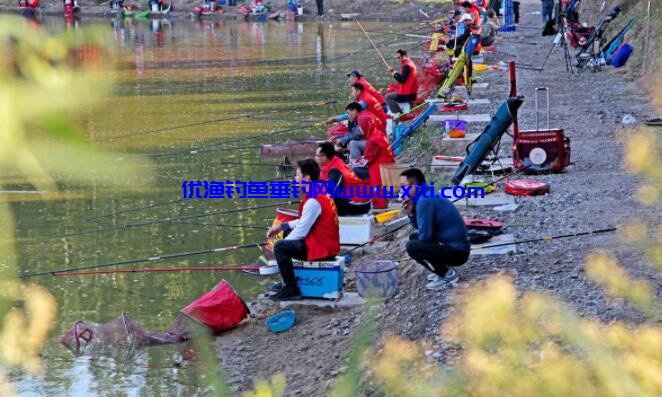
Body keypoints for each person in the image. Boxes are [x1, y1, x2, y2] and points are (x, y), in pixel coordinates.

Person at [266, 159, 340, 301]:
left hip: (324, 249)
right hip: (326, 243)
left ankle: (291, 289)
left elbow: (301, 231)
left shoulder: (313, 200)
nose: (295, 177)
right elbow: (304, 221)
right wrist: (281, 226)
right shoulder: (319, 191)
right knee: (286, 236)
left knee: (281, 247)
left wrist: (277, 248)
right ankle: (287, 280)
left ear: (307, 178)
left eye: (297, 174)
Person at [400, 168, 470, 290]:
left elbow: (425, 236)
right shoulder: (427, 193)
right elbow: (422, 229)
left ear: (415, 185)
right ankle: (441, 269)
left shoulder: (424, 201)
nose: (401, 190)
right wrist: (411, 215)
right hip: (455, 246)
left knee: (412, 247)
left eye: (403, 186)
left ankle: (448, 275)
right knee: (413, 238)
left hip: (458, 252)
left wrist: (415, 215)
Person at [315, 142, 371, 216]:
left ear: (324, 157)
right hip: (351, 198)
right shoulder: (331, 163)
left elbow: (331, 192)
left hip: (359, 203)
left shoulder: (335, 170)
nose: (315, 157)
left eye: (317, 155)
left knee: (323, 205)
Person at [354, 111, 395, 209]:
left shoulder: (373, 140)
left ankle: (379, 206)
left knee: (355, 171)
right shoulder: (379, 133)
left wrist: (353, 163)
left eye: (360, 126)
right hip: (388, 166)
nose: (359, 129)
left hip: (380, 170)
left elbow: (366, 160)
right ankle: (382, 202)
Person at [386, 49, 418, 115]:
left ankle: (397, 114)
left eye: (398, 57)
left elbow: (402, 80)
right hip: (412, 92)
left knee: (388, 96)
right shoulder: (410, 63)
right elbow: (405, 76)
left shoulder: (406, 65)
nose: (398, 59)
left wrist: (393, 74)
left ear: (403, 56)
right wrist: (393, 71)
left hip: (407, 94)